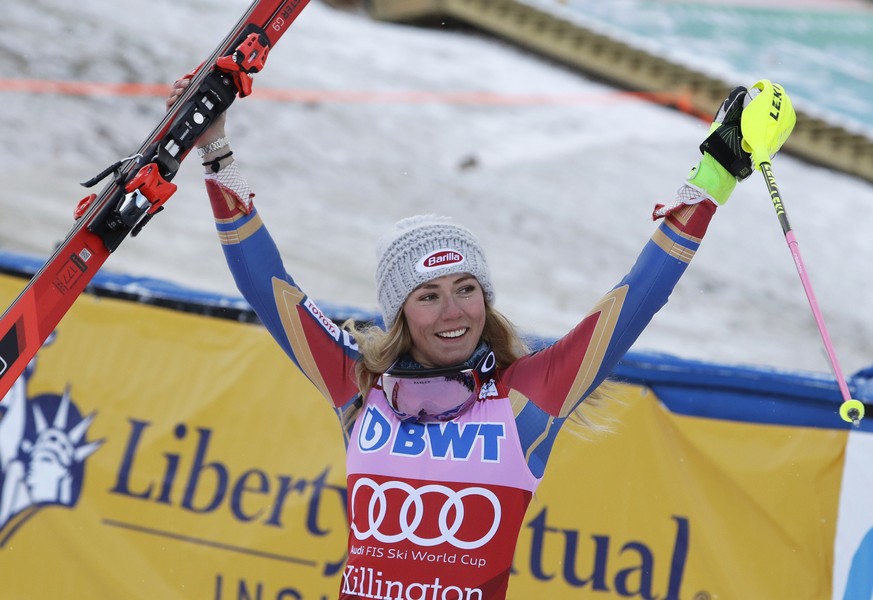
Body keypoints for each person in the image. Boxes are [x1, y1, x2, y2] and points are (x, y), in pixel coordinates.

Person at [168, 78, 785, 599]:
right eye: (427, 296)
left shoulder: (524, 401)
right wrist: (215, 150)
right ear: (400, 313)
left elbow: (632, 303)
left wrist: (715, 173)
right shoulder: (362, 389)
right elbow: (268, 288)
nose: (451, 312)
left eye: (466, 288)